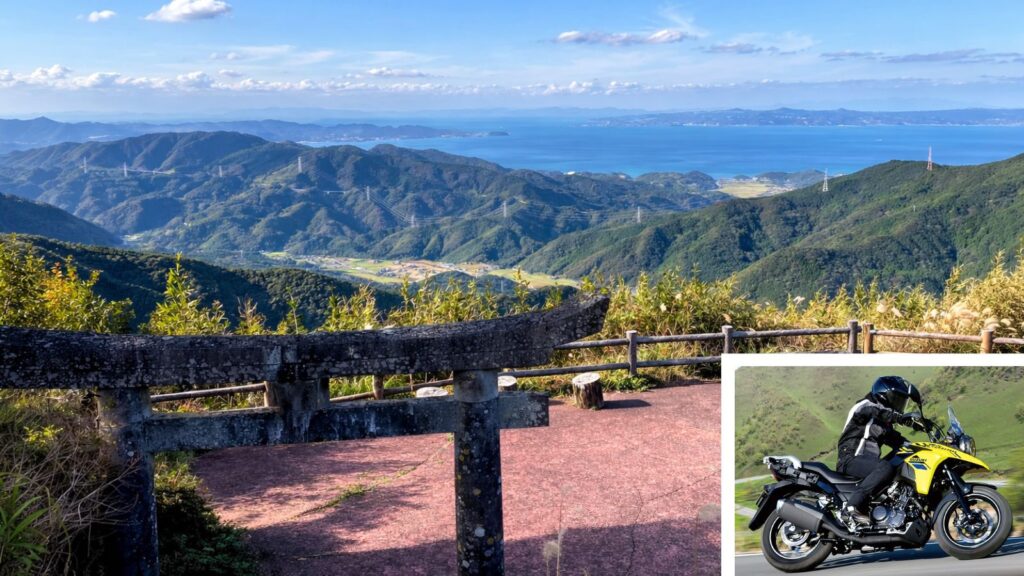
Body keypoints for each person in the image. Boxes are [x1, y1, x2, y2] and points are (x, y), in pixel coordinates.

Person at [836, 375, 921, 520]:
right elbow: (875, 411)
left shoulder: (882, 424)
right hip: (850, 459)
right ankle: (851, 508)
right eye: (897, 399)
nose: (899, 405)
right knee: (885, 467)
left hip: (866, 464)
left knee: (901, 463)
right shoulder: (864, 406)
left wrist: (922, 446)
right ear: (883, 395)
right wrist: (899, 418)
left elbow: (898, 441)